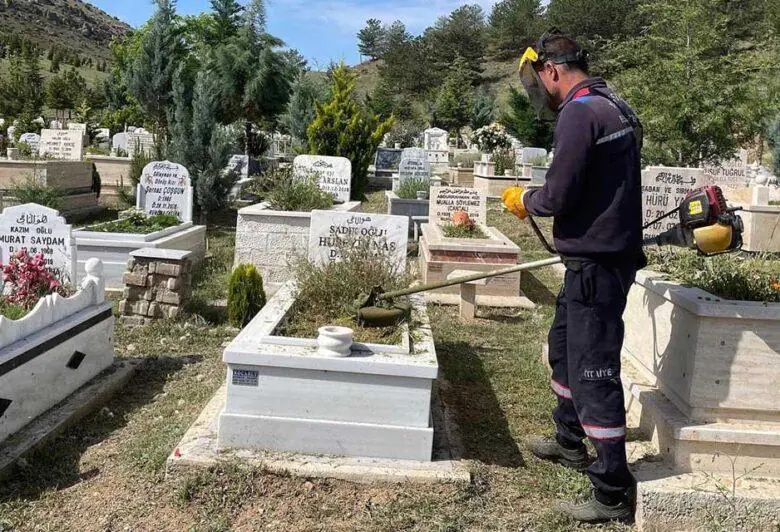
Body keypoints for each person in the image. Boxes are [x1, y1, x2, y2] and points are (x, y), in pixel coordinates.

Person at [501, 29, 645, 523]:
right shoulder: (615, 105)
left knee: (592, 370)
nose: (540, 93)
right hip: (598, 260)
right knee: (563, 347)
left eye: (539, 82)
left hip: (597, 266)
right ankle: (568, 439)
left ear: (553, 71)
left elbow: (559, 196)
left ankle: (611, 490)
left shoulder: (580, 113)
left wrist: (526, 202)